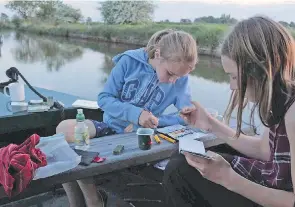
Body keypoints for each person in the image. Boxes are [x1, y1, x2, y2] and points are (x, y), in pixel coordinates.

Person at [163, 16, 295, 207]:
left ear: (258, 69)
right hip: (273, 177)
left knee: (179, 171)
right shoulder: (289, 86)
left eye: (234, 76)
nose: (232, 86)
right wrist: (210, 124)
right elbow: (264, 150)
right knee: (186, 158)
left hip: (282, 198)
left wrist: (227, 178)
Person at [56, 29, 198, 207]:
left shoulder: (180, 78)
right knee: (63, 131)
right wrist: (136, 114)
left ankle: (93, 200)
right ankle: (90, 197)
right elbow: (104, 99)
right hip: (110, 126)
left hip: (142, 136)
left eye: (180, 76)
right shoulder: (128, 62)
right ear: (158, 54)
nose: (173, 81)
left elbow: (183, 116)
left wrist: (157, 120)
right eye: (170, 74)